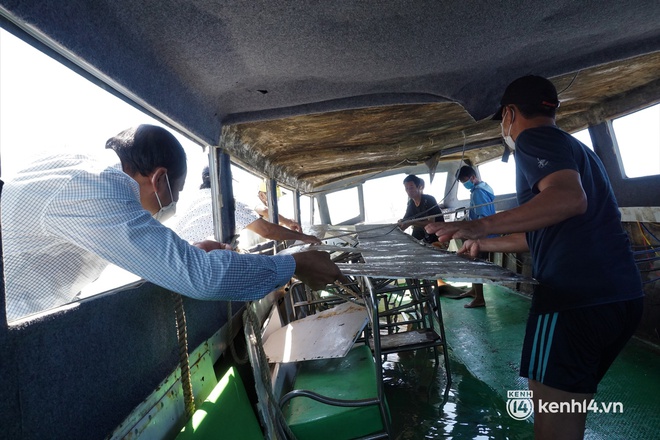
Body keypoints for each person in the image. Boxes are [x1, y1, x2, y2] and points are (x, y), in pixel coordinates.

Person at [426, 75, 643, 439]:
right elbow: (537, 234)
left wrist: (480, 226)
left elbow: (569, 200)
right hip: (620, 297)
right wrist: (483, 245)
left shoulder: (534, 140)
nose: (505, 129)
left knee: (554, 423)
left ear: (509, 113)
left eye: (502, 121)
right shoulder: (577, 151)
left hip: (573, 301)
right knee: (569, 409)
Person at [1, 125, 342, 321]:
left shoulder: (74, 171)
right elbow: (201, 278)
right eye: (175, 193)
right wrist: (293, 264)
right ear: (159, 180)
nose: (172, 205)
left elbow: (149, 253)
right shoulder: (95, 188)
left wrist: (189, 252)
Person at [174, 167, 321, 246]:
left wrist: (288, 222)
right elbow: (267, 230)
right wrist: (304, 237)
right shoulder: (225, 203)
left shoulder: (196, 200)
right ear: (226, 183)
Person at [455, 165, 496, 308]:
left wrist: (474, 237)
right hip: (486, 233)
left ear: (473, 177)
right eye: (461, 182)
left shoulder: (478, 192)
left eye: (465, 180)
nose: (464, 184)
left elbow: (483, 217)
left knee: (476, 264)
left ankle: (479, 298)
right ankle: (474, 290)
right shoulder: (484, 187)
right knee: (475, 263)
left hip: (482, 235)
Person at [397, 174, 444, 244]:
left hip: (437, 237)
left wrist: (412, 222)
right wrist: (399, 225)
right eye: (406, 188)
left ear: (419, 187)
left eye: (411, 187)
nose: (409, 191)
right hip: (423, 237)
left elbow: (431, 223)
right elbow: (405, 222)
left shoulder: (429, 200)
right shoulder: (411, 204)